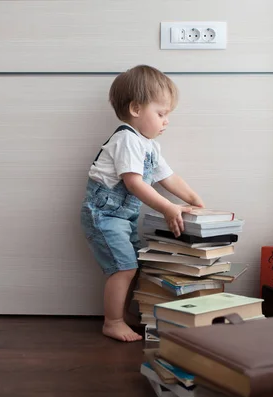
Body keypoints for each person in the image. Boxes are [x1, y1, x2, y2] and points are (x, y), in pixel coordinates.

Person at [80, 65, 205, 342]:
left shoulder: (149, 146)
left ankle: (128, 314)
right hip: (104, 215)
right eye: (161, 114)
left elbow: (168, 177)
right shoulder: (126, 139)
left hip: (122, 218)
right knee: (123, 267)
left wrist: (194, 200)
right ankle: (112, 321)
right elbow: (133, 183)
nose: (166, 121)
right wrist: (168, 208)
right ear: (136, 109)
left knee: (136, 263)